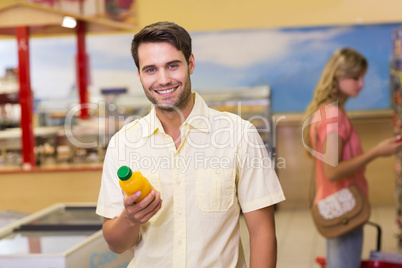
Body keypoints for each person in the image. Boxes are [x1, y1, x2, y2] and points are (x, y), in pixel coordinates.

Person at [96, 21, 285, 268]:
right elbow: (116, 244)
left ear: (191, 64)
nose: (163, 80)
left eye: (172, 66)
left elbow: (262, 234)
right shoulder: (123, 144)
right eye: (150, 69)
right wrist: (130, 219)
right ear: (139, 75)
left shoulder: (240, 135)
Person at [303, 47, 402, 268]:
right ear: (338, 77)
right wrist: (376, 152)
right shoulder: (334, 116)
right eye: (356, 77)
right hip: (344, 207)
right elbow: (332, 170)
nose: (361, 83)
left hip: (335, 205)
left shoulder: (325, 111)